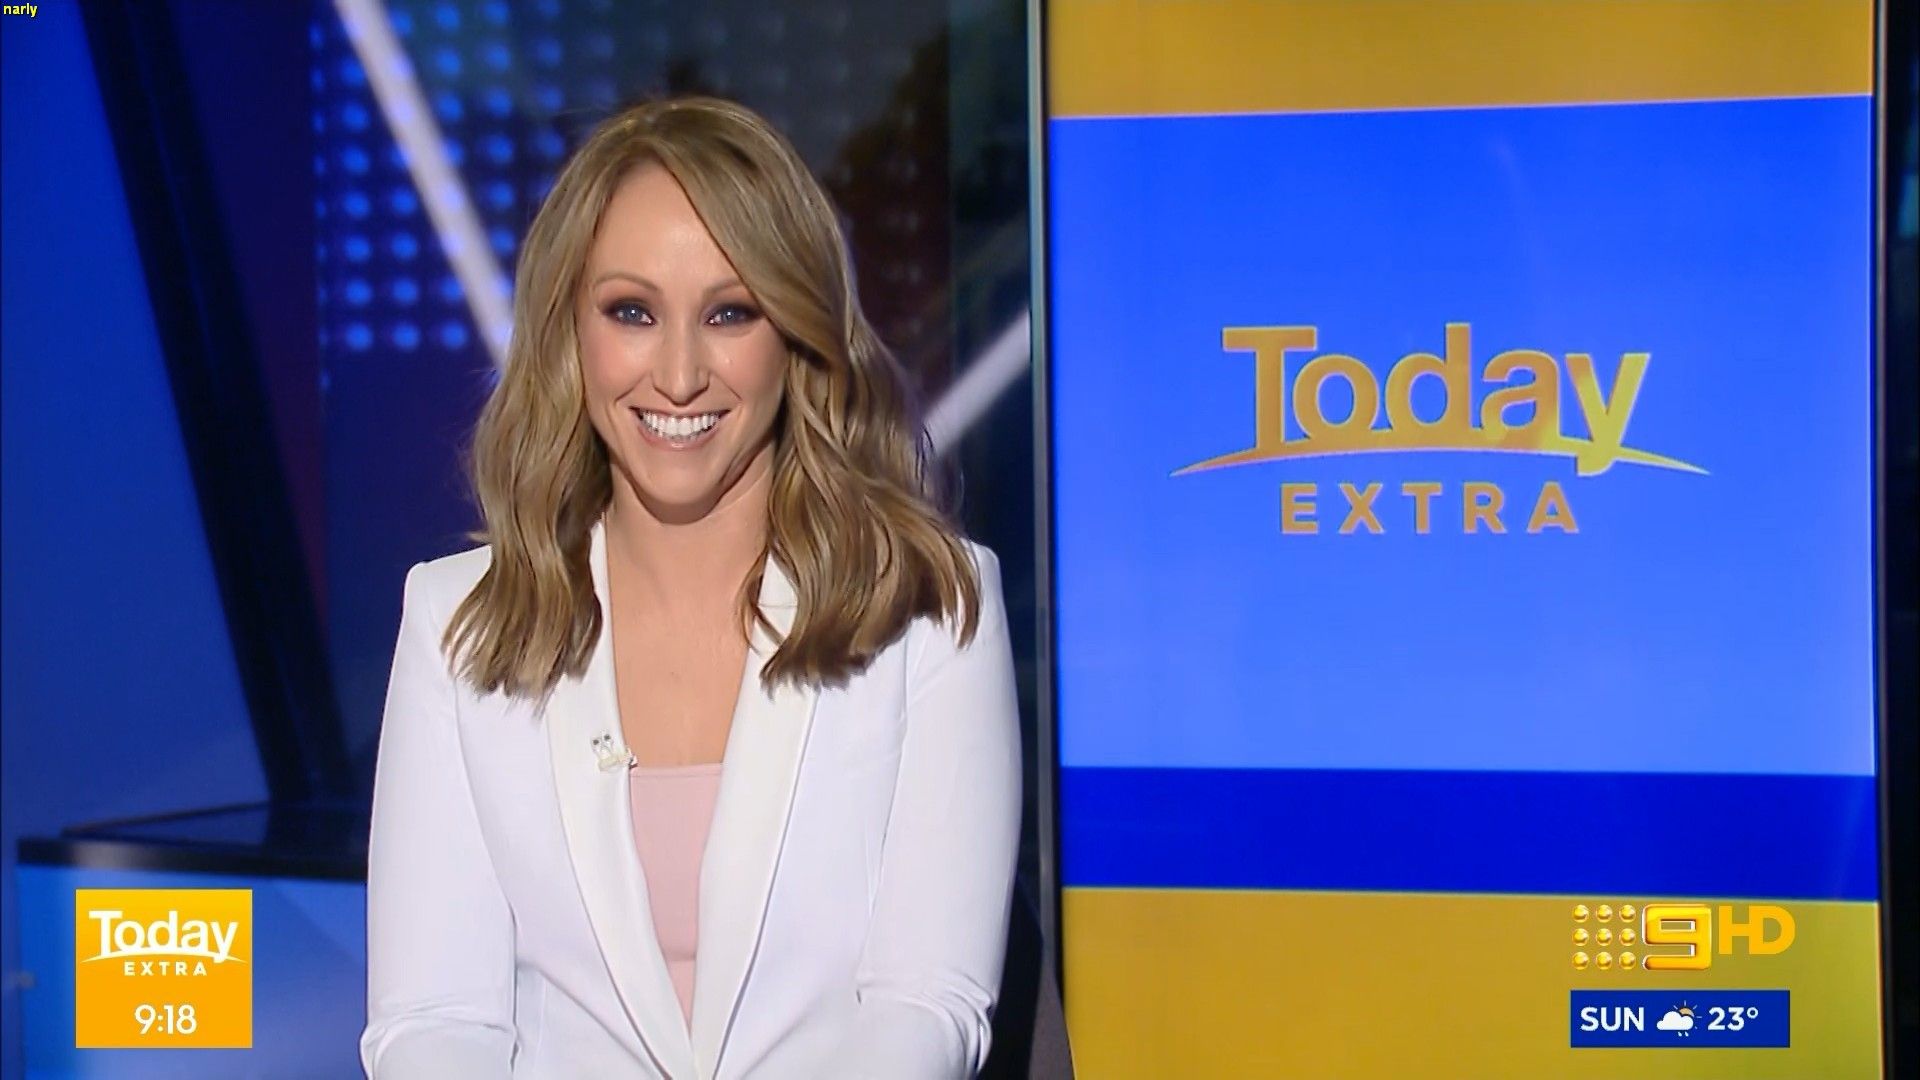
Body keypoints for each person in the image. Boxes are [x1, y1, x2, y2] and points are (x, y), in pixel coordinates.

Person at [358, 96, 1022, 1079]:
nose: (678, 374)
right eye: (632, 312)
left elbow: (927, 1006)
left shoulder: (932, 607)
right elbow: (433, 1021)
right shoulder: (455, 622)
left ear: (795, 331)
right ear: (569, 329)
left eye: (729, 313)